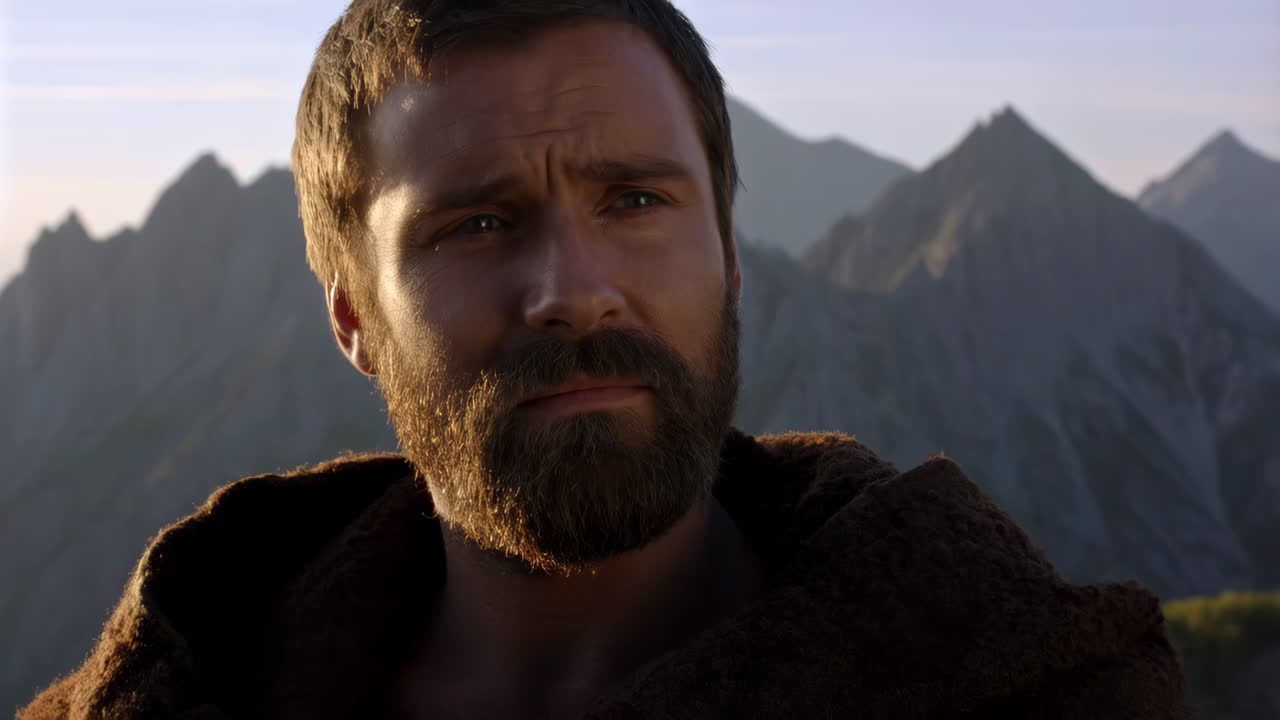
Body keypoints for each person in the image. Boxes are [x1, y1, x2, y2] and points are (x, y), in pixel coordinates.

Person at [20, 1, 1191, 718]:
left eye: (634, 199)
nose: (574, 291)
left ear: (733, 257)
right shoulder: (182, 677)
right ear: (353, 320)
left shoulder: (1038, 690)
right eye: (473, 224)